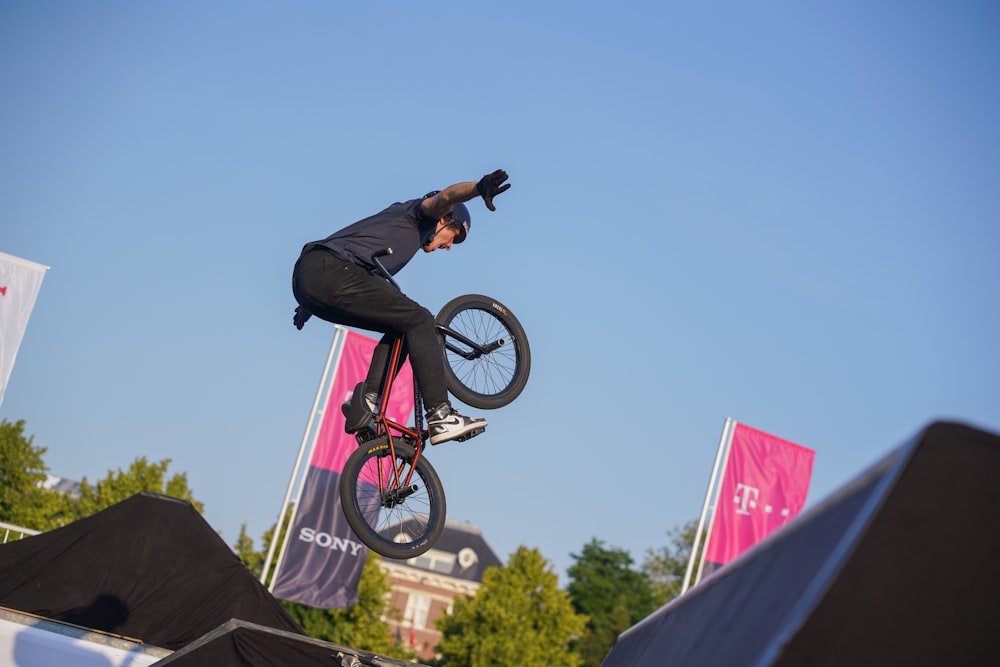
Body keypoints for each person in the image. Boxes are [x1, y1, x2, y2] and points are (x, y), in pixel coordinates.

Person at [291, 169, 511, 445]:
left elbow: (350, 247)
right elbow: (445, 196)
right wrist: (479, 188)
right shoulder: (420, 216)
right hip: (331, 269)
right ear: (444, 220)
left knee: (404, 324)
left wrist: (308, 301)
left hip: (316, 279)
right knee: (420, 320)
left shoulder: (394, 236)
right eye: (454, 236)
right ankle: (441, 414)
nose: (450, 247)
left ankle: (368, 401)